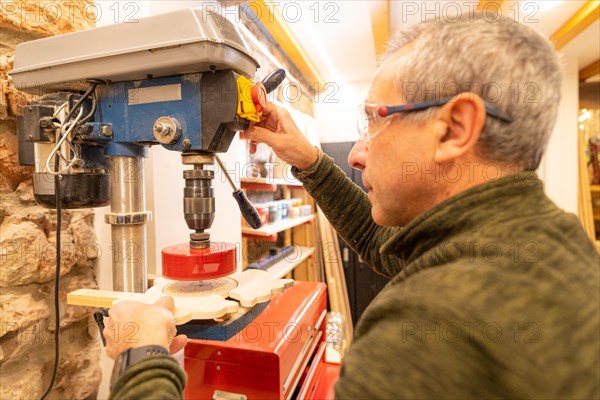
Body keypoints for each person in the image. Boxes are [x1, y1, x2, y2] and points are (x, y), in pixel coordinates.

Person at [106, 13, 600, 399]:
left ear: (454, 128)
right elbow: (378, 243)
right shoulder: (537, 238)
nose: (359, 152)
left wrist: (142, 358)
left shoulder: (431, 327)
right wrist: (306, 158)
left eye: (373, 121)